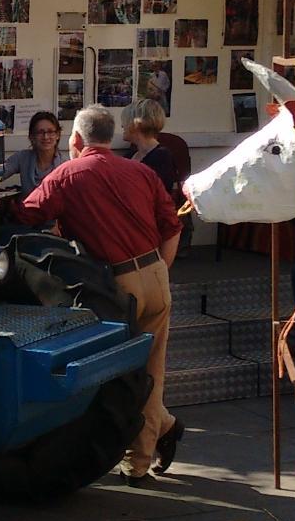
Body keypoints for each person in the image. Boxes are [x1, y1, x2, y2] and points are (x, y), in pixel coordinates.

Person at [13, 105, 182, 485]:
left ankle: (142, 457)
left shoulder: (67, 175)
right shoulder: (141, 171)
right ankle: (153, 443)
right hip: (156, 272)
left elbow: (26, 214)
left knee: (121, 374)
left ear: (75, 139)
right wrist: (160, 271)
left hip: (117, 284)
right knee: (152, 370)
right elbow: (172, 226)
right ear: (111, 136)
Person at [1, 111, 64, 197]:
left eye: (50, 132)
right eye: (40, 132)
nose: (45, 137)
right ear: (32, 136)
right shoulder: (22, 158)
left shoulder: (64, 165)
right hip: (27, 205)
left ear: (58, 135)